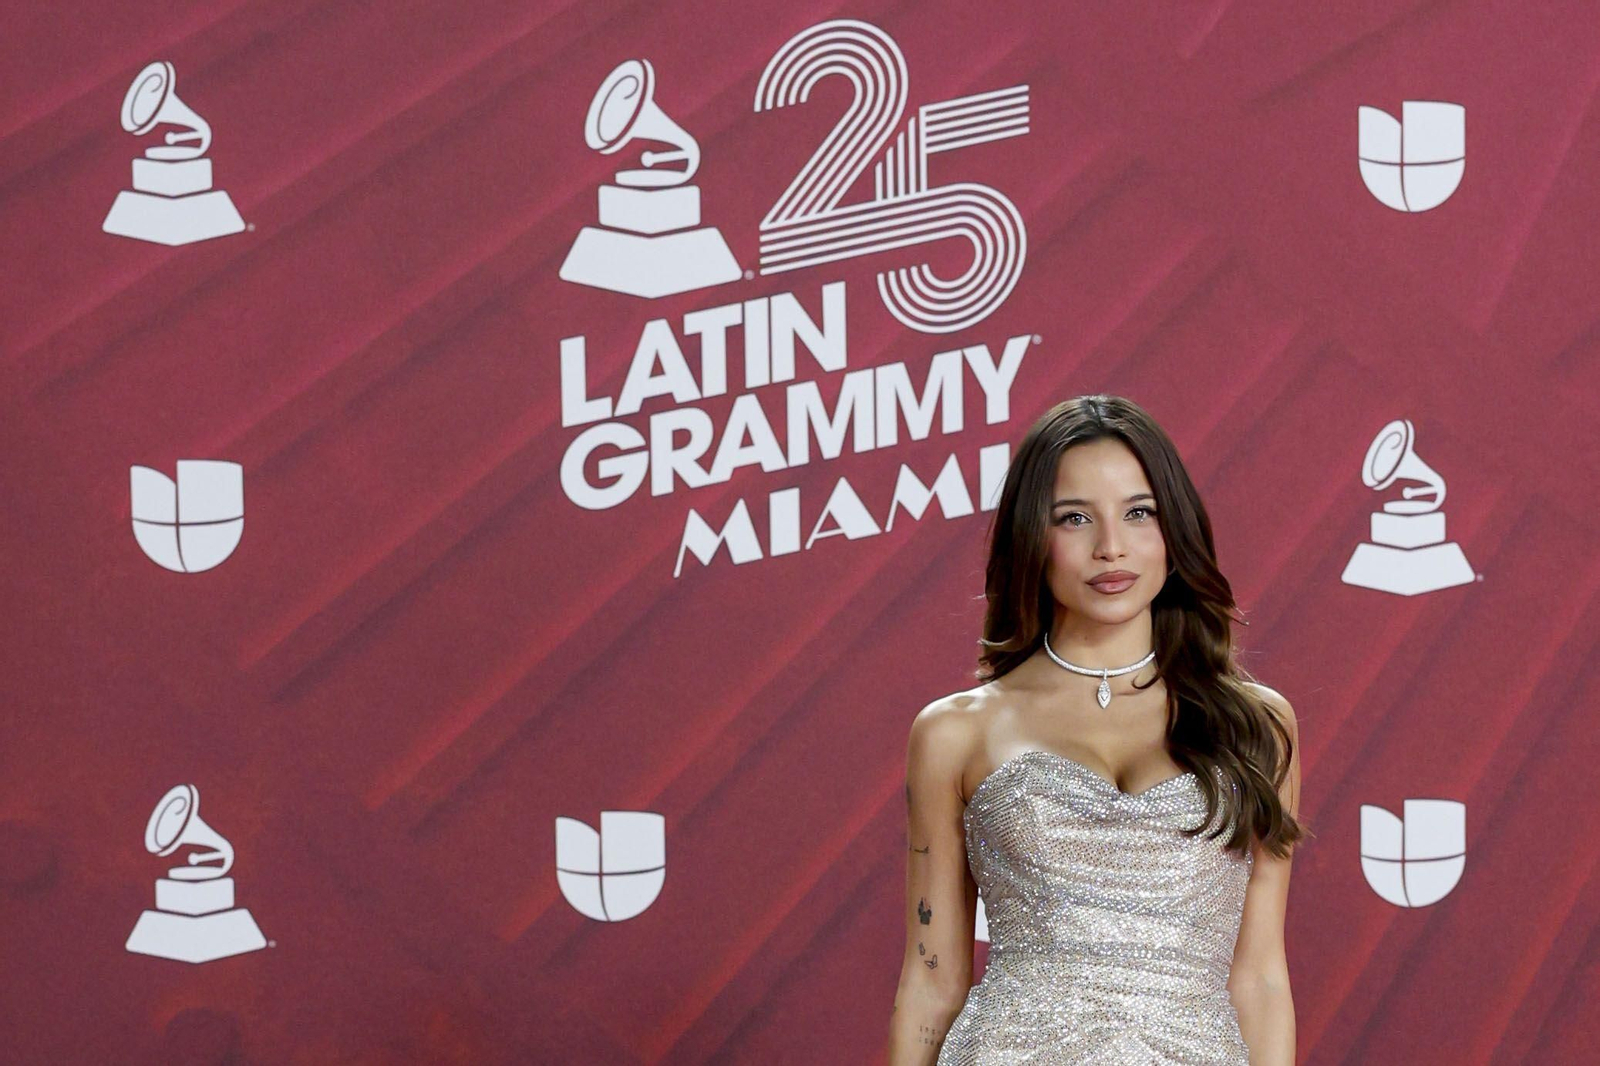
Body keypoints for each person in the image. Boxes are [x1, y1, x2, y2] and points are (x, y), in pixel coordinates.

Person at [887, 395, 1306, 1064]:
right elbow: (932, 982)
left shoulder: (1256, 725)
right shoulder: (953, 733)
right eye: (1075, 518)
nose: (1111, 546)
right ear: (1033, 537)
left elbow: (1260, 978)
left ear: (1175, 529)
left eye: (1139, 513)